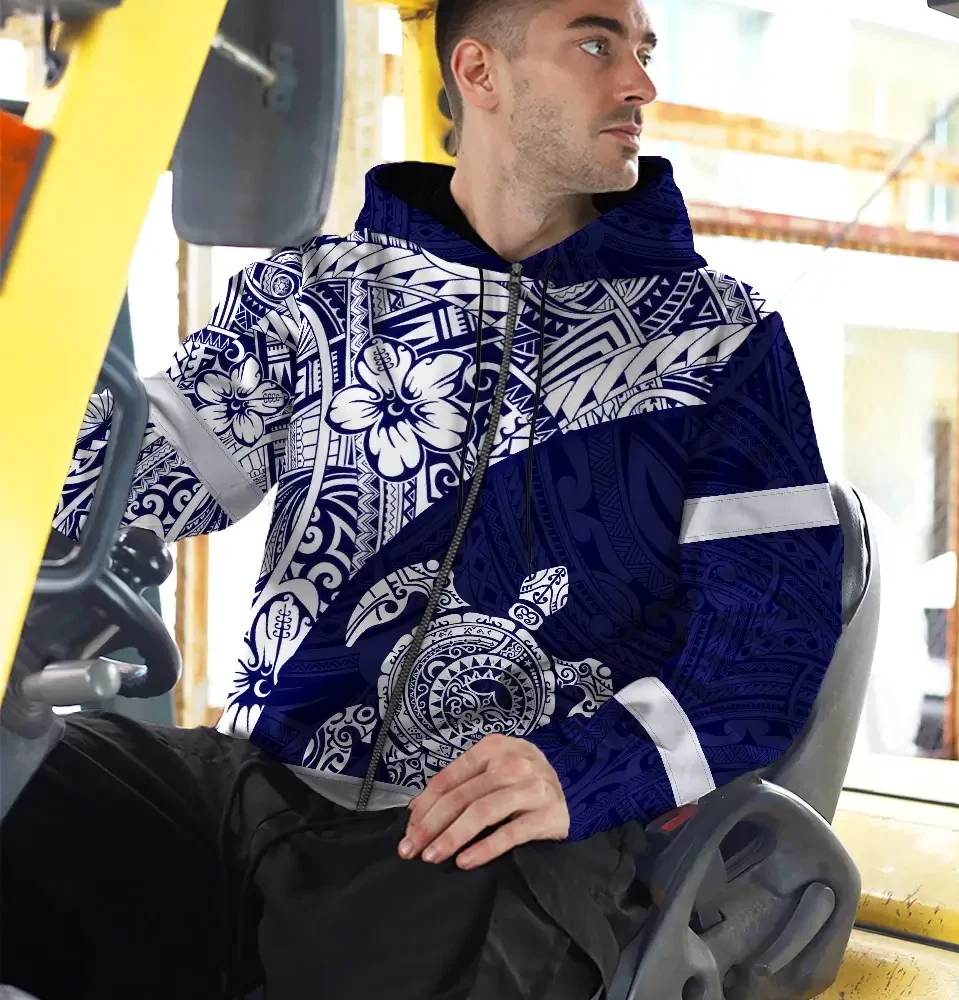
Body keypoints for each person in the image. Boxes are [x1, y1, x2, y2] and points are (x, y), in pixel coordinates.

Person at [0, 1, 844, 997]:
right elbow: (114, 477)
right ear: (479, 72)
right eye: (596, 44)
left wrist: (582, 770)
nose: (640, 84)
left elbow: (768, 648)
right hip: (259, 798)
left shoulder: (719, 341)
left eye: (643, 49)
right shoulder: (317, 296)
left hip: (494, 838)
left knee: (409, 935)